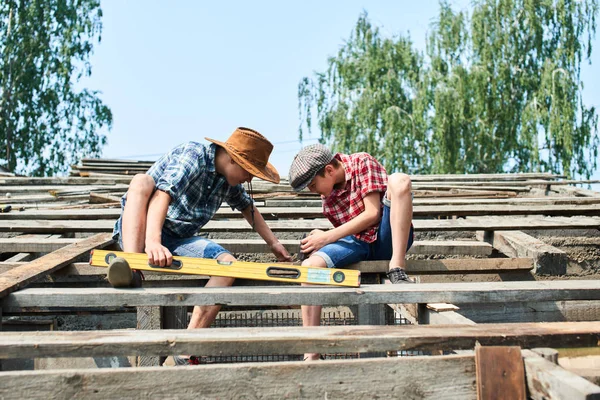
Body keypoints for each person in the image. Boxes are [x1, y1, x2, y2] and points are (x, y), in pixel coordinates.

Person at [110, 127, 292, 365]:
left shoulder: (227, 181)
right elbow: (162, 194)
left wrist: (274, 244)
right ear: (232, 159)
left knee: (229, 266)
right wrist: (152, 242)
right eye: (249, 172)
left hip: (178, 240)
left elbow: (248, 208)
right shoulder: (192, 156)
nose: (250, 179)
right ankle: (131, 266)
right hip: (142, 231)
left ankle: (185, 350)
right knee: (142, 181)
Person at [288, 143, 414, 361]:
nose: (312, 191)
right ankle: (312, 352)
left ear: (329, 170)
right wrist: (322, 240)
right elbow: (349, 233)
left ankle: (397, 268)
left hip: (387, 237)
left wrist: (327, 236)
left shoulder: (361, 162)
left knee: (399, 180)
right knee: (309, 269)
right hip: (358, 243)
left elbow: (373, 214)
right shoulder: (327, 198)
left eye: (312, 185)